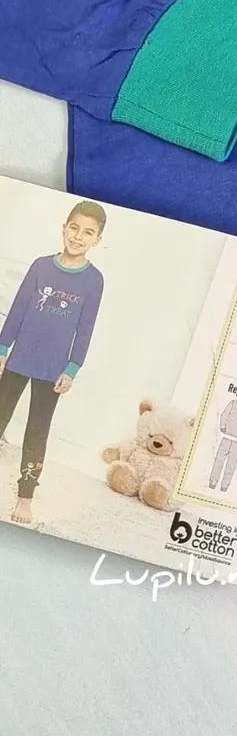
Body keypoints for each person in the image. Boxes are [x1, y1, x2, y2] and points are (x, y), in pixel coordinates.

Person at [0, 200, 106, 524]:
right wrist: (2, 349)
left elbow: (85, 328)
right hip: (18, 358)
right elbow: (18, 309)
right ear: (64, 228)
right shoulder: (40, 266)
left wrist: (73, 368)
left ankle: (25, 498)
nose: (78, 237)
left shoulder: (94, 280)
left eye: (87, 233)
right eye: (74, 228)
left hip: (53, 368)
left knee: (37, 432)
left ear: (97, 240)